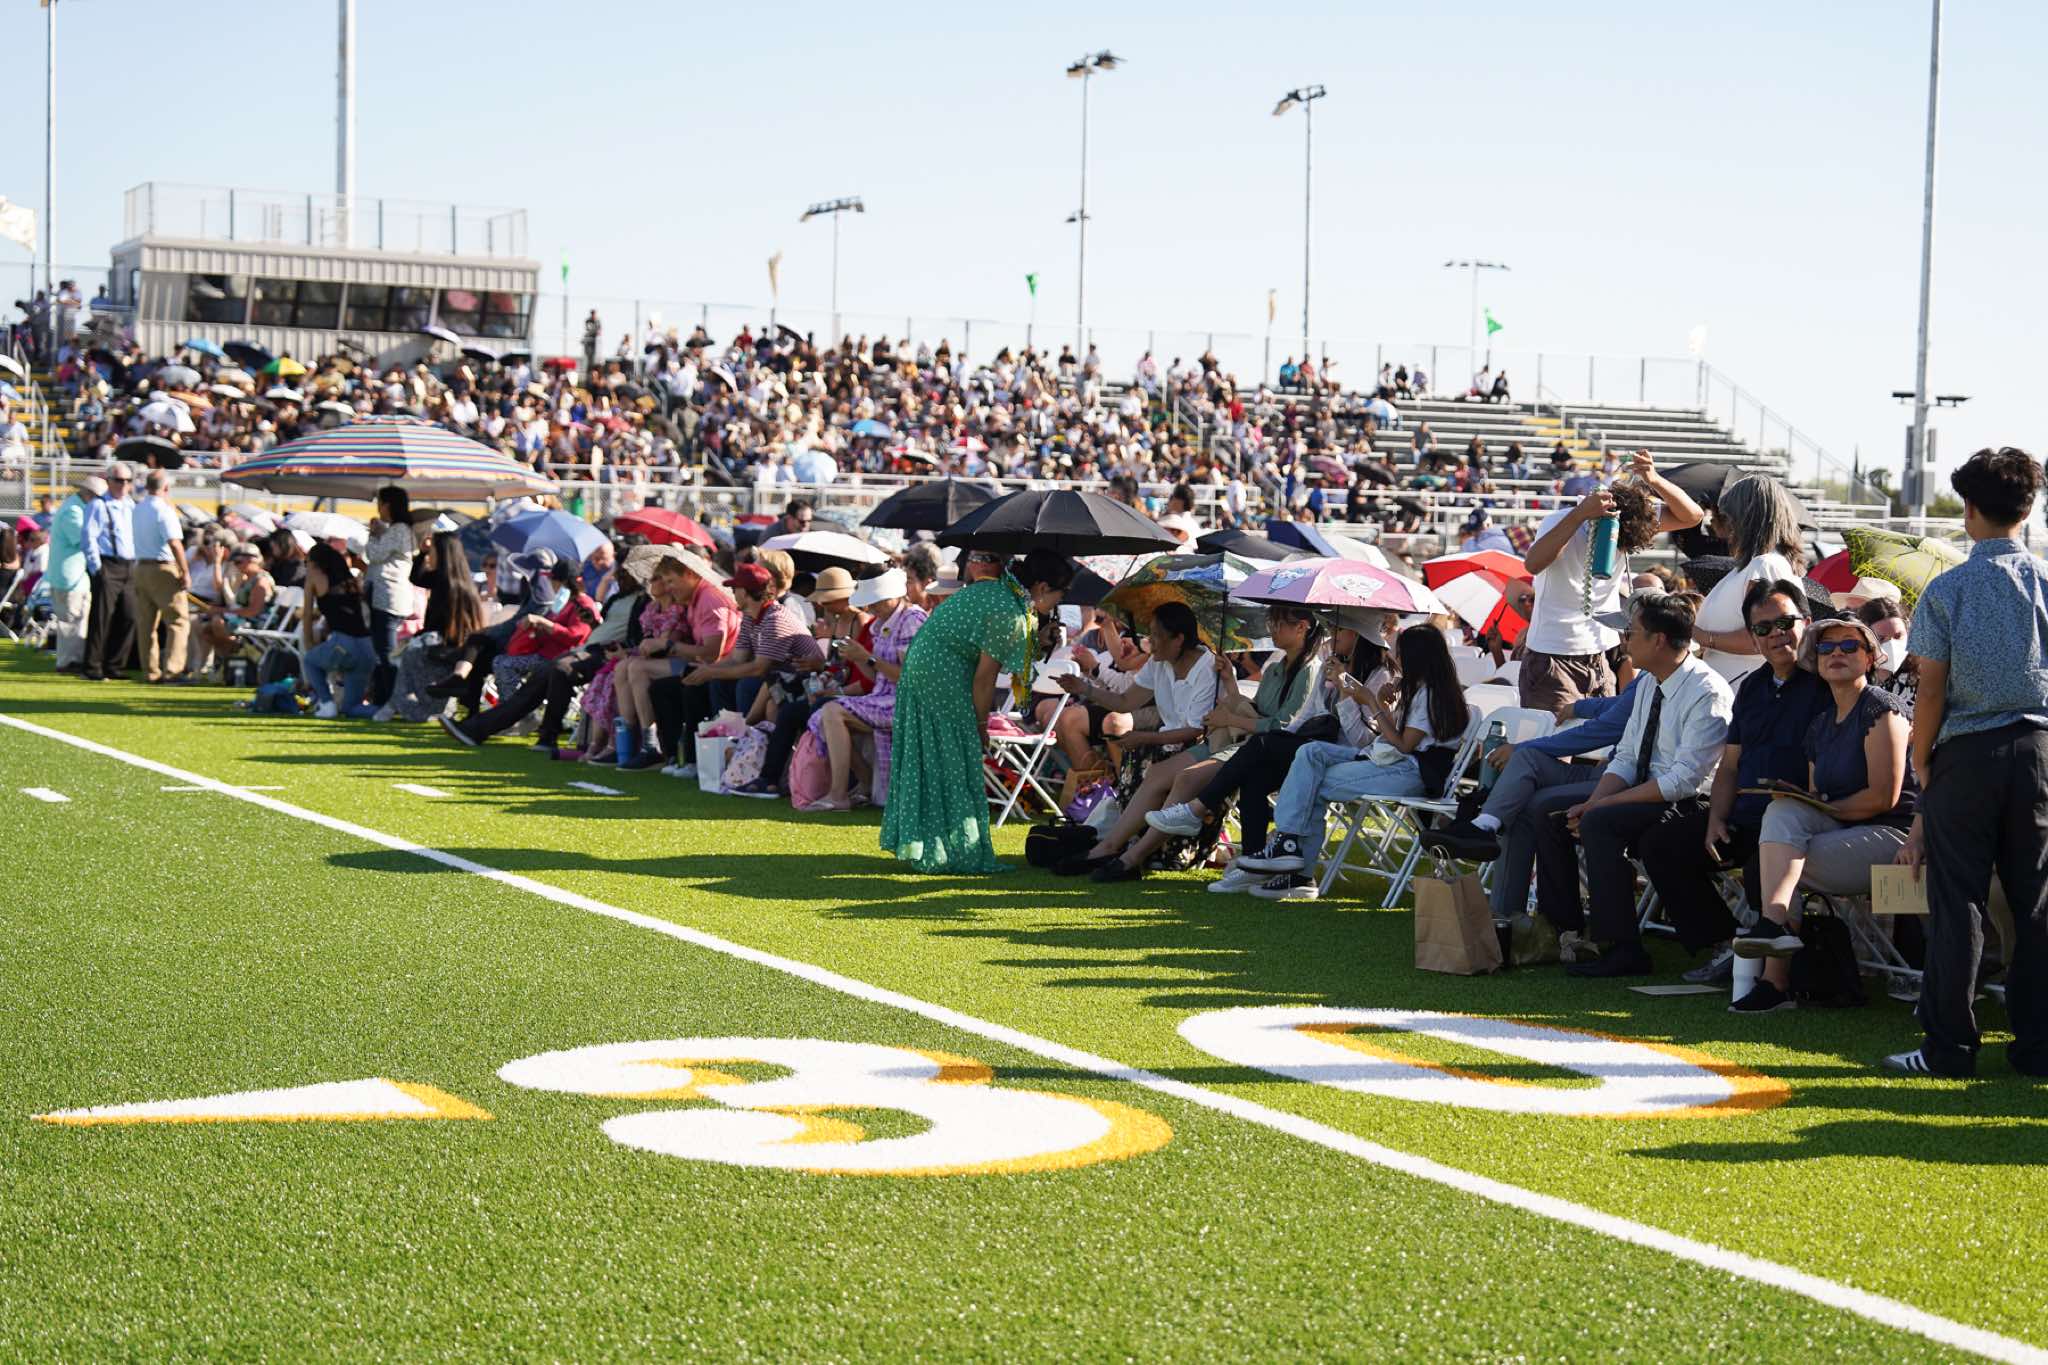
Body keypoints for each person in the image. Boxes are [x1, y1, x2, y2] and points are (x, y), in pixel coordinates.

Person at [1890, 447, 2048, 1078]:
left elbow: (1930, 689)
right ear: (2028, 509)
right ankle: (2037, 1046)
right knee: (2036, 902)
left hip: (1967, 752)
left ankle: (1949, 1047)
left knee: (1958, 901)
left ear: (1968, 509)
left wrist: (1922, 758)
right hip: (2039, 752)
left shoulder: (1947, 587)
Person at [1532, 594, 1733, 976]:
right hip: (1648, 792)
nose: (1624, 640)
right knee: (1551, 812)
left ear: (1659, 640)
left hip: (1694, 803)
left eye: (1631, 632)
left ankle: (1623, 948)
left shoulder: (1706, 691)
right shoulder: (1648, 683)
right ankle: (1568, 934)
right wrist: (1594, 801)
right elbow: (1626, 756)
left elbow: (1683, 781)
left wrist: (1601, 806)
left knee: (1599, 822)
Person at [1634, 580, 1830, 971]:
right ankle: (1724, 945)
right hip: (1744, 816)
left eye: (1785, 623)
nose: (1775, 634)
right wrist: (1717, 819)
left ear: (1806, 623)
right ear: (1753, 638)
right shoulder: (1752, 687)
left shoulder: (1827, 685)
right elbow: (1730, 766)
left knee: (1761, 868)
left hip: (1796, 823)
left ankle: (1777, 972)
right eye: (1763, 628)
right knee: (1661, 844)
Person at [1730, 616, 1917, 1013]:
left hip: (1895, 837)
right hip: (1843, 829)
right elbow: (1819, 796)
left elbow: (1883, 797)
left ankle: (1775, 979)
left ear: (1870, 658)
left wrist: (1822, 806)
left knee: (1780, 863)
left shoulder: (1883, 708)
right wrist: (1802, 798)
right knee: (1782, 810)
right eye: (1826, 648)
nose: (1836, 654)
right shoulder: (1820, 724)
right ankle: (1775, 930)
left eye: (1849, 646)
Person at [1235, 625, 1472, 900]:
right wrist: (1384, 705)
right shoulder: (1420, 689)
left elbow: (1405, 744)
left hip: (1410, 771)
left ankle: (1298, 871)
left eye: (1400, 653)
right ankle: (1288, 846)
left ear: (1416, 657)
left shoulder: (1430, 695)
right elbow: (1393, 736)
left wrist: (1372, 702)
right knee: (1311, 752)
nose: (1396, 658)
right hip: (1387, 758)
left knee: (1314, 783)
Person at [881, 549, 1072, 875]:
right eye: (1059, 595)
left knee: (937, 759)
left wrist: (1036, 638)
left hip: (925, 668)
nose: (1058, 603)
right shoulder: (1009, 611)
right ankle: (956, 850)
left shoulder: (1000, 591)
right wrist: (980, 724)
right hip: (942, 674)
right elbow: (985, 679)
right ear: (1042, 588)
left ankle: (935, 844)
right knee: (955, 759)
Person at [1116, 604, 1324, 879]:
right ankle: (1110, 847)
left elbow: (1281, 726)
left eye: (1279, 624)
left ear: (1302, 628)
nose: (1272, 630)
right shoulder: (1276, 668)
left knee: (1188, 778)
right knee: (1159, 773)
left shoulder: (1309, 670)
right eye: (1271, 623)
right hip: (1244, 743)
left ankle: (1136, 856)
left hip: (1266, 750)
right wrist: (1229, 683)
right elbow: (1256, 711)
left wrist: (1228, 719)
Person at [1518, 449, 1703, 718]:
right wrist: (1580, 515)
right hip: (1553, 655)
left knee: (1599, 738)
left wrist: (1654, 479)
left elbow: (1693, 516)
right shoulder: (1560, 520)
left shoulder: (1632, 520)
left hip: (1601, 652)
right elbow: (1533, 564)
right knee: (1557, 739)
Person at [1052, 602, 1221, 880]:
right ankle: (1112, 848)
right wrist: (1084, 688)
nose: (1149, 643)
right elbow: (1125, 701)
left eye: (1156, 635)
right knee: (1142, 755)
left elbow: (1194, 730)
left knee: (1148, 758)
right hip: (1170, 744)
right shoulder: (1159, 661)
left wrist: (1146, 736)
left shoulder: (1208, 666)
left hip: (1199, 747)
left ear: (1178, 639)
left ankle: (1126, 851)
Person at [678, 562, 825, 790]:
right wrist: (708, 671)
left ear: (746, 592)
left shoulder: (775, 618)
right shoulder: (751, 616)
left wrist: (710, 671)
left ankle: (746, 746)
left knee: (748, 685)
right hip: (781, 682)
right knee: (718, 683)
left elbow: (759, 668)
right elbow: (738, 659)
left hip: (803, 684)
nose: (732, 593)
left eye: (735, 589)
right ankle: (732, 745)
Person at [805, 569, 928, 810]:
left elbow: (911, 680)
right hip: (885, 699)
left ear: (893, 595)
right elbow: (876, 677)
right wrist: (859, 658)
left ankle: (839, 795)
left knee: (831, 712)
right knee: (824, 715)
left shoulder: (912, 620)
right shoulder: (882, 623)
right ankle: (864, 783)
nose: (872, 607)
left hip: (908, 703)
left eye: (876, 601)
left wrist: (867, 657)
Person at [1685, 475, 1806, 682]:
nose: (1727, 526)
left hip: (1742, 687)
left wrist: (1702, 637)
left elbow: (1765, 638)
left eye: (1730, 517)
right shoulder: (1753, 566)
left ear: (1746, 520)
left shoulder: (1764, 565)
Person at [385, 531, 487, 723]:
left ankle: (398, 705)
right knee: (409, 655)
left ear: (441, 552)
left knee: (409, 655)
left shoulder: (444, 582)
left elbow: (417, 578)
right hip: (455, 649)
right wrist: (423, 553)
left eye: (432, 551)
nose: (430, 556)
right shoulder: (463, 583)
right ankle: (401, 705)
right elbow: (417, 578)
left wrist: (421, 554)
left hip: (442, 648)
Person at [300, 543, 378, 718]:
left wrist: (309, 643)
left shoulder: (314, 577)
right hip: (367, 648)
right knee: (351, 708)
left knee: (310, 661)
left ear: (315, 562)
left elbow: (307, 614)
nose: (306, 566)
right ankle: (383, 711)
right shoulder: (350, 579)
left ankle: (327, 704)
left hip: (344, 643)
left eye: (307, 562)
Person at [80, 462, 139, 682]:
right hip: (108, 564)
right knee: (101, 618)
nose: (123, 485)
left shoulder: (131, 505)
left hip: (129, 565)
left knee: (129, 616)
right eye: (119, 480)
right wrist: (97, 568)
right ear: (109, 481)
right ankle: (92, 667)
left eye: (127, 481)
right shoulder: (98, 505)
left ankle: (115, 665)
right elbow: (88, 538)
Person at [131, 468, 191, 684]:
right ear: (165, 487)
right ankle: (173, 670)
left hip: (141, 567)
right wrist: (185, 571)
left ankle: (150, 671)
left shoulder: (138, 508)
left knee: (146, 624)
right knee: (177, 621)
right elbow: (174, 543)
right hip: (163, 567)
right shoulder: (164, 510)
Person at [363, 486, 418, 706]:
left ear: (387, 505)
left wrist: (374, 534)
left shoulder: (399, 530)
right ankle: (383, 698)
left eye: (380, 504)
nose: (378, 509)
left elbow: (374, 554)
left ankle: (394, 701)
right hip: (387, 595)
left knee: (386, 652)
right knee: (382, 650)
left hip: (388, 596)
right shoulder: (400, 530)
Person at [45, 474, 99, 672]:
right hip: (69, 575)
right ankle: (68, 662)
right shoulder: (73, 511)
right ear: (90, 494)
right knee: (70, 619)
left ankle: (73, 659)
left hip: (73, 575)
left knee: (77, 617)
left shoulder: (75, 508)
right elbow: (83, 539)